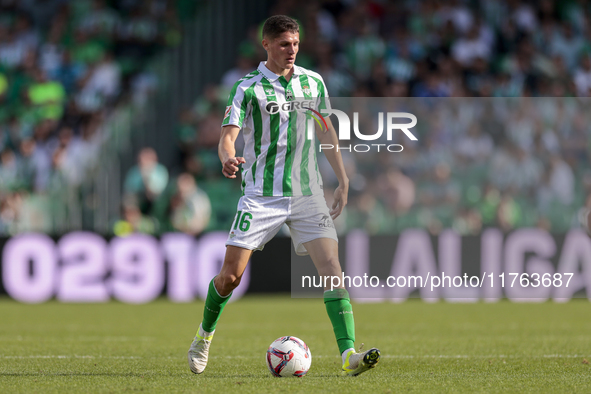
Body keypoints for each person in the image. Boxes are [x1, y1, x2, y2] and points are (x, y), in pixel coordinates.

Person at [187, 15, 380, 377]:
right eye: (283, 44)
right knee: (230, 277)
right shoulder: (247, 87)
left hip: (308, 194)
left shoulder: (313, 82)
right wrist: (228, 157)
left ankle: (348, 354)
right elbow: (228, 136)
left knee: (332, 270)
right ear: (266, 45)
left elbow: (326, 133)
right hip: (262, 196)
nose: (291, 50)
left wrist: (341, 179)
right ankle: (204, 336)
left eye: (295, 44)